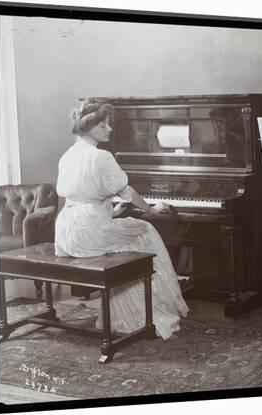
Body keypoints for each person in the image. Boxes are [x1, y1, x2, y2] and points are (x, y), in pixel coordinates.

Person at [54, 98, 189, 340]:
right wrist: (151, 209)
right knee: (146, 232)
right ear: (88, 126)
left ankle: (122, 310)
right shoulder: (101, 156)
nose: (110, 129)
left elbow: (78, 197)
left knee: (125, 238)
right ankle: (146, 313)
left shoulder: (67, 156)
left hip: (66, 232)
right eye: (103, 125)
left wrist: (112, 214)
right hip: (90, 231)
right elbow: (127, 192)